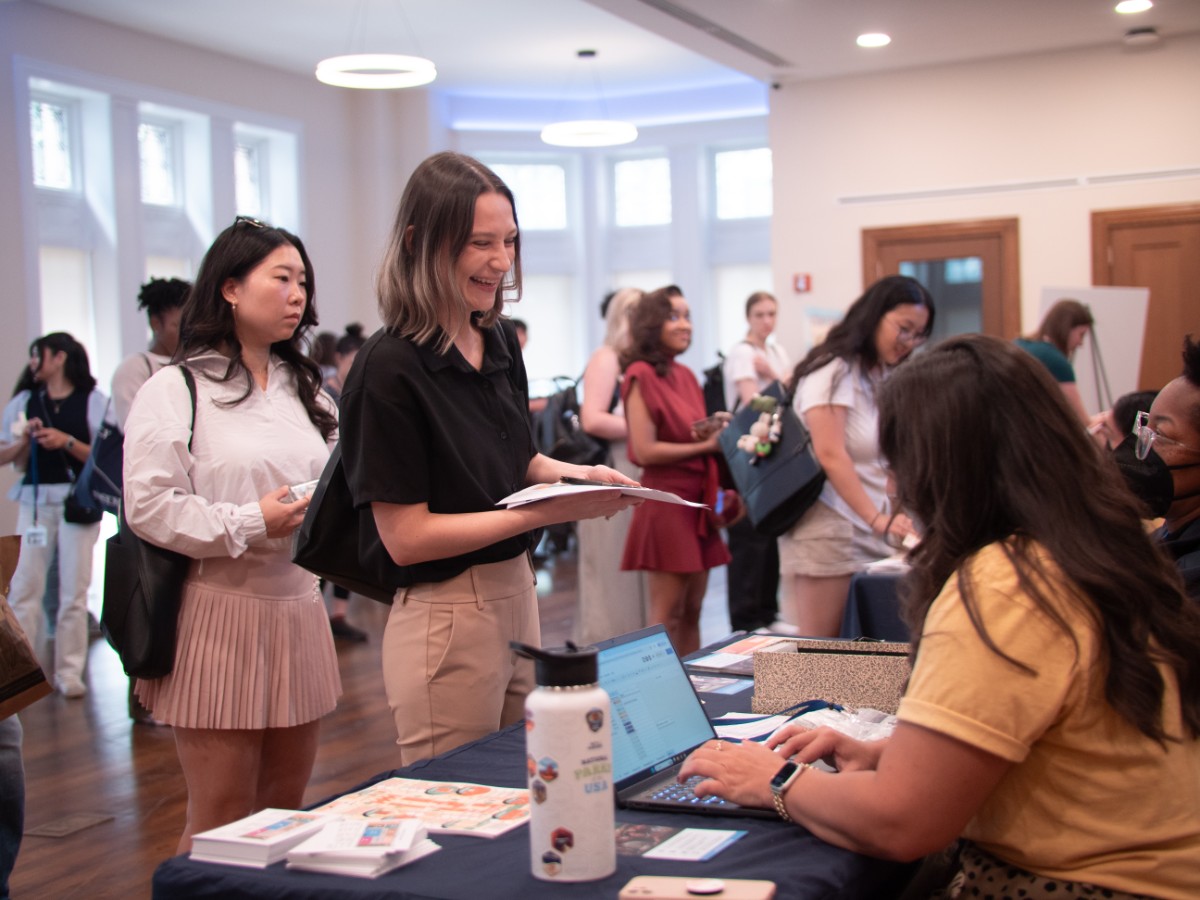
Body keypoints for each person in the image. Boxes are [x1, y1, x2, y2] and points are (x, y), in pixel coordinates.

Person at [680, 335, 1200, 898]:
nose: (895, 487)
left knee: (783, 672)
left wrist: (774, 780)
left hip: (1086, 881)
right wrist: (899, 755)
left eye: (898, 462)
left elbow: (903, 820)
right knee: (781, 669)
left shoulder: (1006, 583)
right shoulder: (1103, 543)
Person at [339, 151, 638, 765]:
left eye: (509, 241)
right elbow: (407, 537)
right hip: (446, 613)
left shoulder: (497, 337)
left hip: (516, 592)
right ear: (422, 242)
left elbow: (519, 460)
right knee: (457, 806)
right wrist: (546, 514)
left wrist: (578, 476)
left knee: (520, 793)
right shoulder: (388, 367)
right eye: (480, 243)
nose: (501, 261)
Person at [122, 216, 342, 852]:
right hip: (218, 616)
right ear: (229, 288)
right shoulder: (176, 388)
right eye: (281, 277)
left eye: (303, 280)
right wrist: (252, 520)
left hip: (298, 610)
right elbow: (150, 506)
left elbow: (339, 487)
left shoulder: (311, 395)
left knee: (283, 816)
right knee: (219, 821)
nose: (297, 294)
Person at [777, 275, 932, 637]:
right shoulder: (834, 369)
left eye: (919, 334)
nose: (909, 342)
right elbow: (831, 454)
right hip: (832, 526)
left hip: (869, 524)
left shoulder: (878, 374)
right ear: (875, 316)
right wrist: (878, 519)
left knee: (864, 652)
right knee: (823, 655)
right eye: (904, 329)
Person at [620, 285, 733, 656]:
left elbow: (686, 430)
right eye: (674, 317)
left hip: (698, 500)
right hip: (667, 501)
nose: (685, 325)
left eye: (687, 316)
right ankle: (657, 696)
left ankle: (696, 689)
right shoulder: (639, 374)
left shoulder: (686, 375)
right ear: (652, 324)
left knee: (694, 611)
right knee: (666, 615)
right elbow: (644, 450)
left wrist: (711, 426)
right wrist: (707, 445)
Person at [0, 332, 107, 698]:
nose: (33, 363)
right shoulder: (25, 402)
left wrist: (66, 442)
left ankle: (69, 672)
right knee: (24, 588)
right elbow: (4, 455)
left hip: (78, 504)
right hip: (33, 502)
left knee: (73, 592)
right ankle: (23, 673)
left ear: (59, 357)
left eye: (38, 356)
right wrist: (23, 442)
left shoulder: (94, 401)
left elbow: (105, 455)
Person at [110, 275, 192, 723]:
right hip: (149, 502)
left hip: (191, 502)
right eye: (181, 320)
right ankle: (140, 687)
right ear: (159, 319)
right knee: (147, 593)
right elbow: (138, 438)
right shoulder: (137, 369)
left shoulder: (200, 365)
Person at [574, 287, 648, 645]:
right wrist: (647, 430)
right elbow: (592, 419)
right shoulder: (607, 358)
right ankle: (610, 653)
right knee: (612, 573)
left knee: (642, 577)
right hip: (614, 469)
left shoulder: (647, 361)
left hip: (642, 470)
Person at [723, 291, 791, 632]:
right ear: (749, 317)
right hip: (748, 450)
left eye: (772, 313)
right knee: (748, 533)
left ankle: (768, 611)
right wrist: (780, 383)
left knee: (770, 528)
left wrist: (776, 380)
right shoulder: (743, 354)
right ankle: (746, 617)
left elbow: (790, 395)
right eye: (760, 314)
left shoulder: (775, 352)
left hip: (770, 448)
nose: (767, 320)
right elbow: (754, 404)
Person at [1121, 335, 1200, 600]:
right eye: (1144, 429)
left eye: (1161, 435)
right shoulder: (1165, 538)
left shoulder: (1186, 587)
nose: (1142, 448)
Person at [319, 323, 369, 642]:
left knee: (348, 548)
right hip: (326, 482)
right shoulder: (324, 395)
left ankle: (338, 615)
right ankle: (316, 616)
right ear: (338, 357)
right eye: (352, 360)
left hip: (354, 478)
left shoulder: (362, 393)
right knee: (323, 549)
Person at [110, 276, 191, 427]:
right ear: (155, 324)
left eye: (191, 324)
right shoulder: (134, 368)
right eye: (178, 326)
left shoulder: (195, 362)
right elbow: (132, 427)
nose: (187, 333)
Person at [1014, 298, 1094, 426]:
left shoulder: (1018, 345)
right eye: (1081, 334)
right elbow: (1081, 420)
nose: (1080, 343)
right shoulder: (1056, 362)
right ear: (1067, 329)